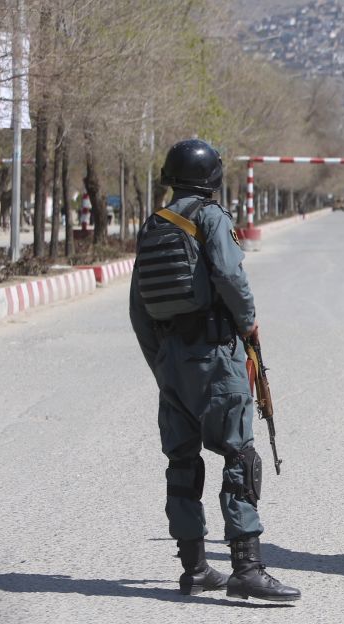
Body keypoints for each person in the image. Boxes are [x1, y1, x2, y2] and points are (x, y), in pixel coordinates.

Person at [128, 139, 300, 601]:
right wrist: (249, 323)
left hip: (170, 362)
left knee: (182, 463)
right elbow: (229, 275)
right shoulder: (210, 217)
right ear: (211, 179)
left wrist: (162, 364)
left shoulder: (153, 227)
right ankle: (246, 569)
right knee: (239, 456)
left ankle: (196, 569)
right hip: (214, 357)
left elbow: (138, 310)